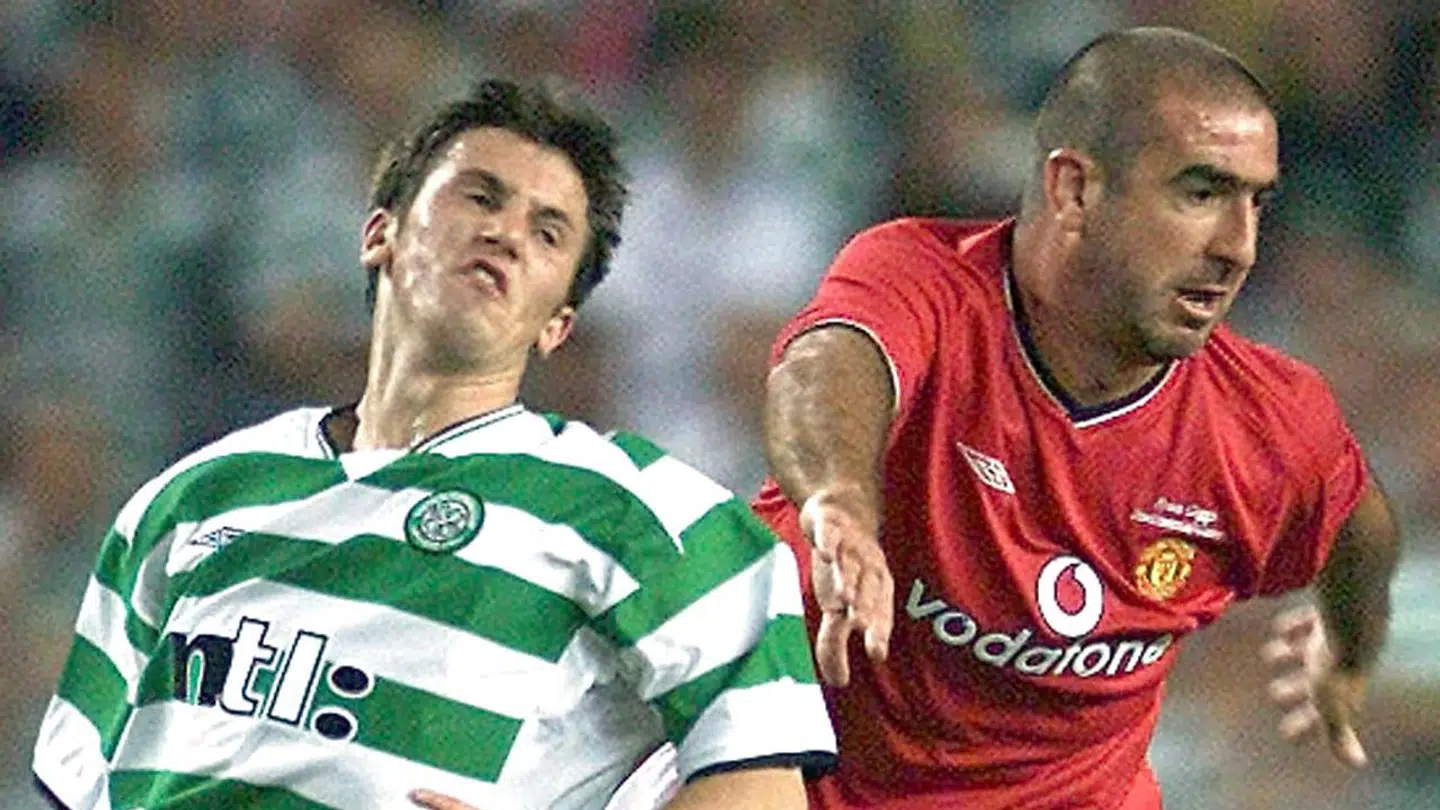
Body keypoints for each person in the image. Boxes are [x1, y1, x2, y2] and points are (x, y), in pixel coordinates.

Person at [32, 78, 836, 810]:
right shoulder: (189, 499)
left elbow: (762, 793)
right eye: (479, 196)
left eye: (548, 233)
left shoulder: (649, 517)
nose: (507, 234)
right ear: (379, 233)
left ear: (558, 324)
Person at [752, 26, 1402, 810]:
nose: (1240, 247)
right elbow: (828, 366)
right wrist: (840, 504)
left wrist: (1349, 652)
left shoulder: (1269, 423)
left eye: (1256, 202)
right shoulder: (924, 280)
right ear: (1074, 190)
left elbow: (1359, 533)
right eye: (1200, 192)